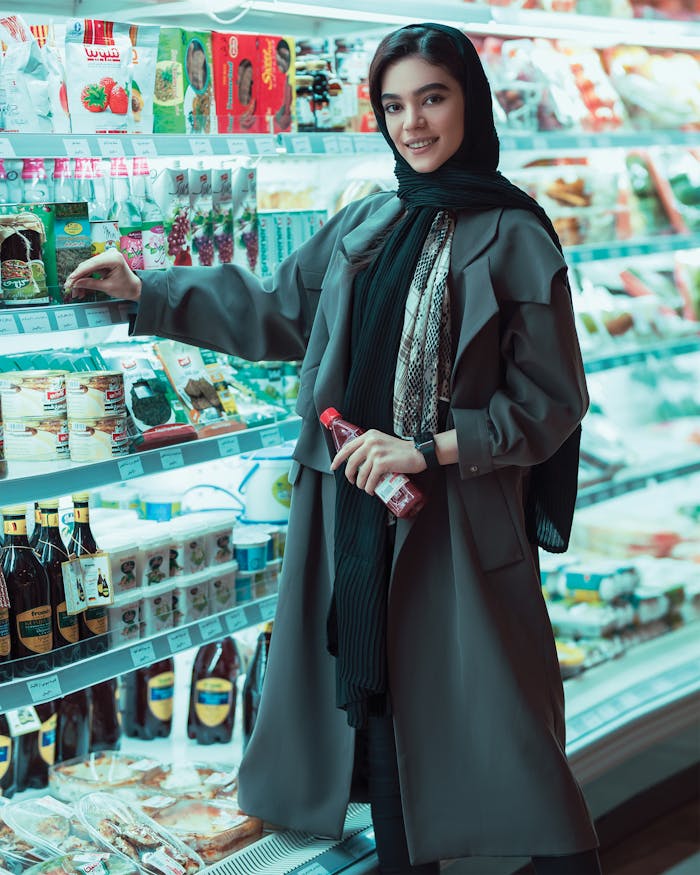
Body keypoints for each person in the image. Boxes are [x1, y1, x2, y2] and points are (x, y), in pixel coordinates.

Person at [65, 23, 602, 875]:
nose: (414, 125)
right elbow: (280, 307)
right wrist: (149, 291)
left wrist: (425, 449)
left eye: (433, 98)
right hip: (355, 521)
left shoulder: (516, 236)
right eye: (394, 106)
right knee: (382, 719)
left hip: (455, 529)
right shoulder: (372, 220)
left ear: (471, 99)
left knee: (512, 754)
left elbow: (550, 404)